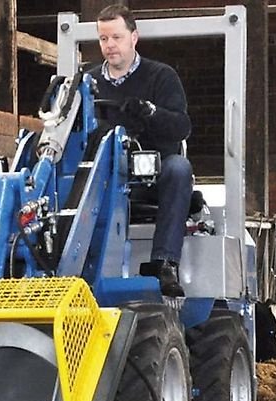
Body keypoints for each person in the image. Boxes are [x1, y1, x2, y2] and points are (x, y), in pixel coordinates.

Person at [89, 4, 193, 297]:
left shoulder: (161, 77)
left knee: (178, 168)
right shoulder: (88, 82)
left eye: (116, 38)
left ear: (134, 37)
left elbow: (181, 127)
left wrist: (150, 112)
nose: (109, 46)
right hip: (105, 178)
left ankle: (164, 262)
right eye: (103, 39)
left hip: (150, 179)